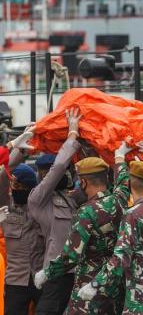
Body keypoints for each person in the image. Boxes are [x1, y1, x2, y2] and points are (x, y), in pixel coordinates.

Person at [34, 143, 131, 314]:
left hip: (88, 285)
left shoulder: (87, 212)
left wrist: (47, 273)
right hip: (114, 283)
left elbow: (71, 255)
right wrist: (120, 158)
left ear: (84, 182)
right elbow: (124, 181)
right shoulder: (119, 200)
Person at [78, 160, 143, 314]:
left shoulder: (132, 214)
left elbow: (122, 257)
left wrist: (96, 284)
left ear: (130, 184)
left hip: (142, 292)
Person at [28, 108, 83, 315]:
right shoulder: (38, 199)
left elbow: (91, 180)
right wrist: (72, 134)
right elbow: (58, 168)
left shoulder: (68, 199)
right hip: (55, 273)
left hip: (75, 272)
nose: (65, 173)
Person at [0, 129, 44, 315]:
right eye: (13, 185)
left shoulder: (41, 205)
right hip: (15, 281)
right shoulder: (6, 206)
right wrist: (19, 149)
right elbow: (3, 175)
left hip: (40, 279)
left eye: (20, 186)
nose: (15, 189)